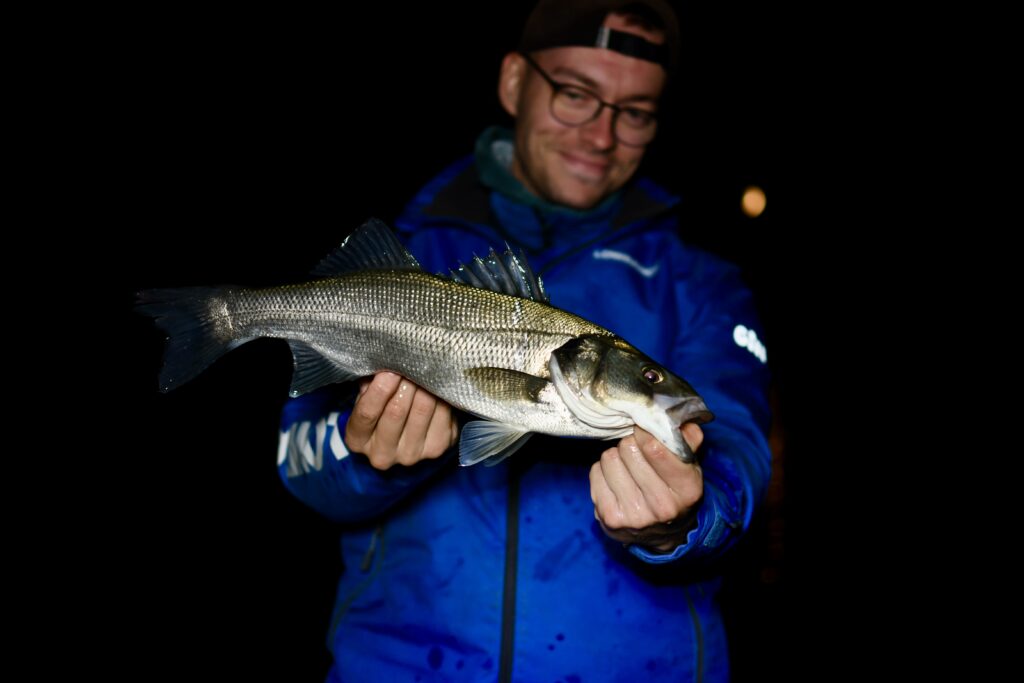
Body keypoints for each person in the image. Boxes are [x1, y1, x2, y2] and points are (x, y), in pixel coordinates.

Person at [278, 1, 771, 680]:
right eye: (576, 94)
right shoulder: (405, 261)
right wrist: (367, 457)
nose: (602, 135)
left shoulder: (701, 281)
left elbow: (739, 449)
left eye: (635, 112)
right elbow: (297, 460)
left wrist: (686, 516)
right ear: (514, 83)